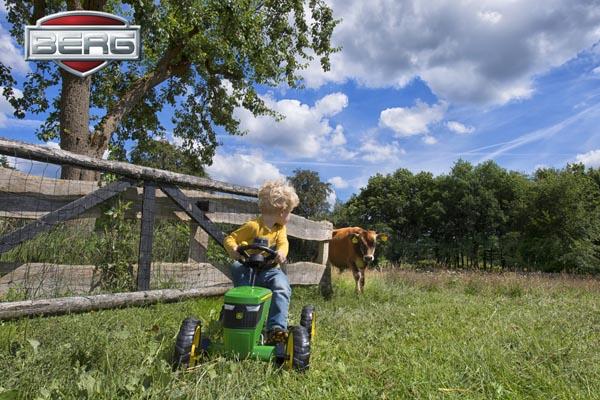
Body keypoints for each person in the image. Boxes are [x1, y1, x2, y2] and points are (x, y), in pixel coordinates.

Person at [223, 179, 299, 344]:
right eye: (290, 212)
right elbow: (230, 239)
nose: (289, 216)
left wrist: (281, 253)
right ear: (282, 211)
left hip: (271, 270)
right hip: (248, 268)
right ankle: (238, 315)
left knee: (281, 286)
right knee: (236, 267)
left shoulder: (280, 230)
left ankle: (276, 329)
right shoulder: (252, 226)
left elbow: (283, 244)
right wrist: (234, 249)